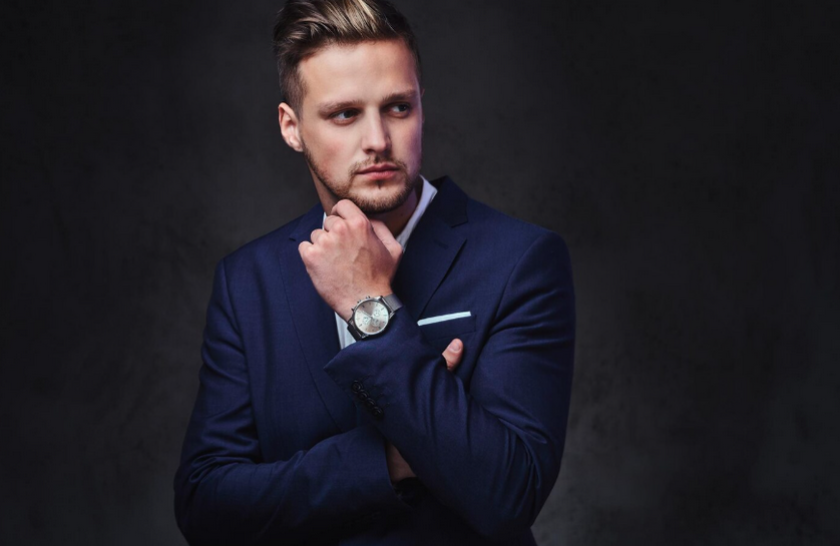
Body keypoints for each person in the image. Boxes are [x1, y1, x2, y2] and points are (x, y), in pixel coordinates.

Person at [173, 0, 575, 544]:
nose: (378, 141)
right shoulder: (248, 281)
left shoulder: (520, 260)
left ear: (422, 106)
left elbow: (510, 495)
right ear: (292, 127)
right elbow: (204, 505)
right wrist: (387, 459)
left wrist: (370, 303)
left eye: (398, 108)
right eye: (345, 114)